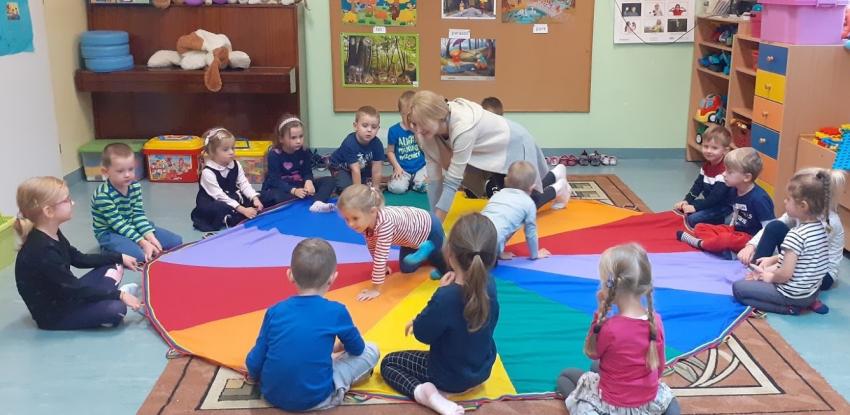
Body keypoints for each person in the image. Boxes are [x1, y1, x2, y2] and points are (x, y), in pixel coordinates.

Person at [380, 213, 500, 415]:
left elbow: (422, 334)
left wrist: (437, 296)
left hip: (448, 377)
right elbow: (489, 322)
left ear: (450, 255)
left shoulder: (446, 296)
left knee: (389, 363)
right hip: (482, 370)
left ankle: (430, 396)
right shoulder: (490, 285)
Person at [246, 238, 379, 411]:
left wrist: (256, 375)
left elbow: (254, 362)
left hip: (271, 394)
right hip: (317, 398)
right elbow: (358, 349)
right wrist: (340, 347)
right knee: (372, 349)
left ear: (290, 275)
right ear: (333, 278)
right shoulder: (337, 311)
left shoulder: (275, 311)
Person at [556, 243, 680, 415]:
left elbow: (592, 352)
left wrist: (600, 313)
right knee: (597, 366)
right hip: (648, 402)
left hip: (612, 405)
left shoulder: (610, 328)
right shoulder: (655, 321)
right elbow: (659, 368)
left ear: (610, 287)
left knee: (566, 376)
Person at [14, 176, 143, 330]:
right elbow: (75, 289)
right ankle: (110, 299)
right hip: (55, 314)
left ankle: (108, 297)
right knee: (117, 310)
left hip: (67, 294)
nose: (73, 203)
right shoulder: (42, 251)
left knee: (114, 264)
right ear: (48, 211)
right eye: (67, 200)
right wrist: (120, 295)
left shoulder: (51, 232)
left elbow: (79, 258)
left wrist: (119, 257)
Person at [407, 90, 550, 221]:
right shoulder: (426, 134)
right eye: (414, 124)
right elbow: (434, 180)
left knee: (526, 205)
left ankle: (557, 183)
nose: (418, 130)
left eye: (422, 123)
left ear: (437, 116)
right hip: (491, 155)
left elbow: (452, 182)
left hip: (514, 144)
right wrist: (433, 219)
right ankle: (554, 179)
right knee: (511, 205)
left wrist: (437, 224)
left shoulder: (463, 125)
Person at [733, 169, 845, 315]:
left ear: (803, 205)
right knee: (775, 227)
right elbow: (805, 255)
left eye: (788, 199)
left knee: (738, 289)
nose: (784, 201)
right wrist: (752, 246)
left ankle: (790, 307)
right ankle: (807, 299)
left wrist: (769, 275)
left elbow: (788, 272)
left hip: (815, 279)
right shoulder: (817, 223)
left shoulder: (823, 226)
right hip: (811, 283)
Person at [338, 184, 449, 301]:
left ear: (373, 211)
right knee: (407, 268)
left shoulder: (385, 225)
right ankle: (423, 250)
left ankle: (435, 257)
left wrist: (375, 289)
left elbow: (381, 256)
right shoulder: (367, 222)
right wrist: (384, 267)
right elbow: (372, 246)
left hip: (430, 227)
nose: (350, 224)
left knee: (437, 257)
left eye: (355, 218)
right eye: (347, 219)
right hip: (411, 238)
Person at [91, 143, 182, 262]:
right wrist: (143, 242)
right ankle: (108, 250)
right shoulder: (103, 195)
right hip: (111, 233)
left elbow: (138, 214)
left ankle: (135, 243)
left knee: (176, 242)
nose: (127, 175)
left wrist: (150, 236)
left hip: (132, 226)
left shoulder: (135, 186)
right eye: (120, 171)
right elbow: (118, 224)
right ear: (105, 171)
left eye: (131, 169)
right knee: (138, 256)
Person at [677, 147, 775, 258]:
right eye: (725, 169)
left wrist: (752, 246)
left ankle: (701, 244)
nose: (723, 174)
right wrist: (729, 229)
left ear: (746, 177)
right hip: (736, 232)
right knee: (700, 227)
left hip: (751, 238)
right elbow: (735, 212)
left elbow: (769, 228)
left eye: (729, 172)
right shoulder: (734, 190)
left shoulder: (759, 199)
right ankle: (720, 247)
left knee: (725, 239)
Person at [482, 161, 569, 260]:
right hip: (490, 246)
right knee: (511, 222)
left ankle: (558, 180)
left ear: (505, 180)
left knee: (507, 222)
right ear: (532, 187)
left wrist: (499, 251)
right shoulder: (529, 203)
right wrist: (535, 254)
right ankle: (559, 182)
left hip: (473, 232)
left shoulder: (497, 195)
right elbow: (530, 233)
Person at [190, 127, 264, 232]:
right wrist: (242, 209)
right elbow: (219, 196)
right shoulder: (208, 172)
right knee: (221, 208)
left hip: (231, 196)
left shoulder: (235, 164)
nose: (231, 152)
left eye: (232, 148)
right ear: (212, 153)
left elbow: (244, 183)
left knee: (260, 197)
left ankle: (240, 212)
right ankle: (232, 216)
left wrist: (254, 198)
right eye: (225, 150)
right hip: (215, 201)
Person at [260, 114, 337, 212]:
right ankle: (305, 200)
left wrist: (308, 181)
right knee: (274, 197)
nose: (298, 141)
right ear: (281, 139)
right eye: (293, 138)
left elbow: (307, 172)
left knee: (330, 181)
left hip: (299, 186)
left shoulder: (304, 151)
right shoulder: (274, 154)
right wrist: (294, 191)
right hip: (281, 189)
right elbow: (275, 181)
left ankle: (317, 203)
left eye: (301, 136)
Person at [674, 125, 733, 229]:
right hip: (710, 203)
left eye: (714, 148)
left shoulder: (724, 171)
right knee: (681, 210)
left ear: (725, 150)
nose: (708, 151)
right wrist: (687, 200)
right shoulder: (707, 166)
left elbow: (715, 198)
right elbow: (698, 185)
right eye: (706, 146)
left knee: (691, 219)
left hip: (722, 207)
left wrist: (695, 207)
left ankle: (721, 220)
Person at [330, 105, 385, 192]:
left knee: (371, 183)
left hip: (362, 165)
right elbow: (355, 170)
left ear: (378, 129)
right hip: (340, 167)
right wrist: (359, 193)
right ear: (355, 126)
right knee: (347, 188)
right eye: (365, 126)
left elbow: (377, 169)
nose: (369, 130)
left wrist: (375, 189)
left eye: (374, 127)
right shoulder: (349, 143)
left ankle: (366, 181)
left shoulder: (377, 144)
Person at [387, 91, 428, 195]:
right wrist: (397, 167)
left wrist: (417, 132)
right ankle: (399, 181)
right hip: (402, 169)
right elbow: (390, 152)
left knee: (426, 186)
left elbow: (425, 149)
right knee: (397, 188)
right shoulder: (394, 130)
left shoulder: (421, 128)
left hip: (420, 167)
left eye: (411, 115)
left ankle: (414, 183)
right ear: (400, 112)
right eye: (404, 114)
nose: (408, 119)